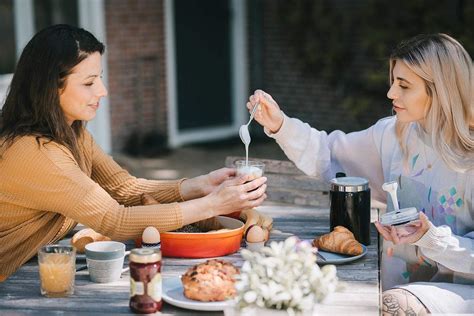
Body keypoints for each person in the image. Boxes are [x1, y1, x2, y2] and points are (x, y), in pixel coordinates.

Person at [0, 24, 267, 281]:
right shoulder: (36, 153)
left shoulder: (73, 133)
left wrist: (201, 185)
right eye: (89, 82)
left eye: (100, 79)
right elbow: (114, 219)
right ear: (50, 88)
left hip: (29, 269)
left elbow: (124, 188)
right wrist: (212, 204)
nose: (102, 91)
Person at [246, 33, 473, 315]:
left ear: (441, 90)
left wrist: (430, 239)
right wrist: (280, 124)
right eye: (393, 81)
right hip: (392, 294)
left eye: (404, 85)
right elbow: (328, 154)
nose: (391, 93)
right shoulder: (393, 134)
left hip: (460, 295)